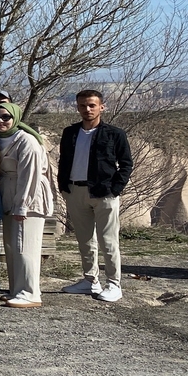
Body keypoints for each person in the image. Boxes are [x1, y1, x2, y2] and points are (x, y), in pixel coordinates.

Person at [58, 89, 134, 303]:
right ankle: (90, 280)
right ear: (77, 107)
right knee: (85, 240)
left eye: (92, 105)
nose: (87, 109)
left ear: (102, 106)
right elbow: (63, 161)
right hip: (75, 191)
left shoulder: (114, 134)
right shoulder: (70, 132)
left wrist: (115, 188)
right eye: (82, 105)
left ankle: (114, 284)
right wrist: (63, 186)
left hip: (104, 193)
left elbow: (126, 164)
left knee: (108, 240)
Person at [0, 101, 54, 308]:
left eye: (5, 117)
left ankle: (30, 292)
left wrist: (22, 205)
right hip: (7, 195)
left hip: (28, 197)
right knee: (12, 245)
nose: (0, 121)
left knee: (25, 245)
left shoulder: (26, 141)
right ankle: (16, 289)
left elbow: (30, 176)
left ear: (15, 118)